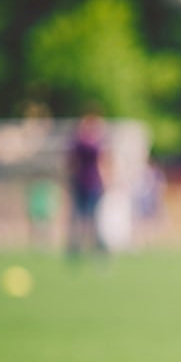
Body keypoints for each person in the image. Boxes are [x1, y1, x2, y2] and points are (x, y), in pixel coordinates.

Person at [66, 108, 109, 258]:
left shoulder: (84, 141)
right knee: (83, 217)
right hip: (84, 183)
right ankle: (80, 248)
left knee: (90, 217)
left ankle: (93, 248)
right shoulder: (84, 142)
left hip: (92, 184)